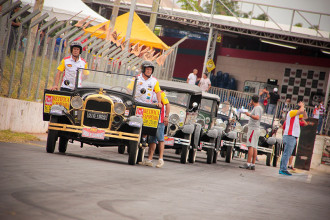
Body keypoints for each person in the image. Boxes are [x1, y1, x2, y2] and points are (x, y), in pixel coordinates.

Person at [129, 61, 162, 146]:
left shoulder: (154, 81)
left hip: (147, 105)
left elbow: (158, 92)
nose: (149, 71)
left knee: (147, 123)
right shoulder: (136, 78)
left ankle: (143, 138)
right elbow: (129, 89)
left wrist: (159, 102)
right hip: (135, 103)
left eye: (150, 69)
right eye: (147, 69)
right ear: (143, 69)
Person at [140, 90, 170, 168]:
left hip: (160, 120)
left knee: (160, 139)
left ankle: (161, 159)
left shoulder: (161, 93)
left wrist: (166, 116)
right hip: (151, 120)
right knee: (152, 140)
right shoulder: (148, 91)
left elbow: (167, 104)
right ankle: (149, 160)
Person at [279, 101, 308, 176]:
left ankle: (282, 168)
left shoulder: (296, 116)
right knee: (287, 154)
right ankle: (283, 169)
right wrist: (302, 106)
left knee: (287, 154)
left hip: (292, 136)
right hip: (289, 136)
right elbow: (300, 111)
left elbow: (305, 117)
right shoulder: (291, 112)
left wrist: (303, 108)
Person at [239, 95, 263, 170]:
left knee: (250, 146)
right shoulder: (259, 107)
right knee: (255, 146)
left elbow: (257, 117)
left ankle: (248, 163)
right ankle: (253, 164)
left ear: (252, 100)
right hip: (256, 129)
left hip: (253, 129)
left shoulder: (257, 108)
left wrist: (249, 114)